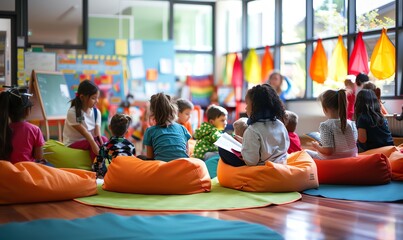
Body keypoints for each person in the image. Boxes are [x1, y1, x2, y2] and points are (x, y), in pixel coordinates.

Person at [219, 84, 289, 167]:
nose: (245, 108)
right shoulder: (280, 124)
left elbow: (251, 161)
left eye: (247, 104)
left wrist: (244, 149)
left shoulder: (253, 129)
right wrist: (244, 142)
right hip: (281, 164)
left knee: (222, 149)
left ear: (256, 107)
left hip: (263, 169)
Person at [63, 80, 108, 161]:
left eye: (97, 98)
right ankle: (96, 167)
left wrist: (102, 146)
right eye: (93, 98)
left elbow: (97, 134)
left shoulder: (96, 112)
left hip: (89, 140)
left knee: (104, 139)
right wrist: (94, 145)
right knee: (91, 142)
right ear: (82, 97)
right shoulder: (73, 112)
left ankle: (106, 162)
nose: (97, 101)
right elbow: (85, 133)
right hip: (73, 143)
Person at [307, 89, 358, 160]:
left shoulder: (326, 125)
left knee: (306, 152)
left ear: (325, 108)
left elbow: (328, 151)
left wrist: (316, 146)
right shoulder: (351, 123)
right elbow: (354, 142)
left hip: (333, 159)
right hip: (352, 157)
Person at [0, 87, 45, 164]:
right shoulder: (35, 130)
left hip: (6, 171)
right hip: (27, 172)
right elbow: (39, 157)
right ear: (27, 110)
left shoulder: (2, 129)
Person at [142, 93, 191, 161]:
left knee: (140, 157)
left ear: (152, 113)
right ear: (173, 110)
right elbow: (187, 154)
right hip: (183, 167)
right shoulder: (182, 128)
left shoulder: (150, 131)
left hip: (162, 168)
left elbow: (150, 158)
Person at [92, 114, 136, 178]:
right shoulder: (131, 146)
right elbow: (134, 163)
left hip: (113, 177)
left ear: (109, 127)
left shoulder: (106, 146)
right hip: (128, 176)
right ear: (126, 132)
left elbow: (97, 165)